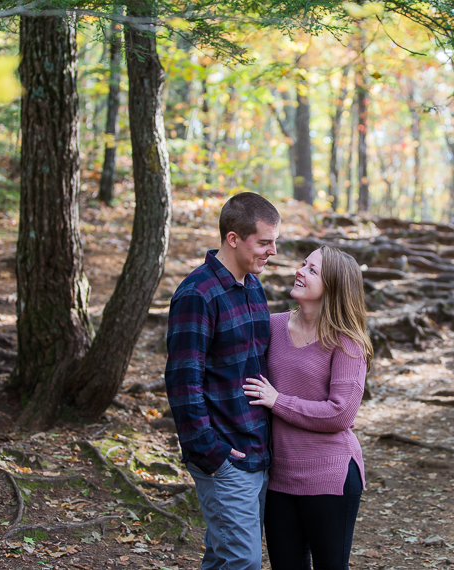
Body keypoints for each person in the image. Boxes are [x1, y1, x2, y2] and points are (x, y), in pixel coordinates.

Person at [165, 192, 280, 570]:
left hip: (257, 449)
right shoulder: (198, 294)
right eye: (264, 242)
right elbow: (183, 380)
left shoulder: (252, 286)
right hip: (224, 454)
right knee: (243, 560)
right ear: (233, 239)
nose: (273, 251)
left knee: (222, 556)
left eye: (274, 242)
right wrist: (208, 449)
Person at [243, 245, 373, 570]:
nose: (300, 271)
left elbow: (341, 412)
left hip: (330, 476)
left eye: (312, 270)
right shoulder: (271, 327)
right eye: (304, 264)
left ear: (333, 286)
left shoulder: (347, 342)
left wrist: (279, 401)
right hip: (278, 477)